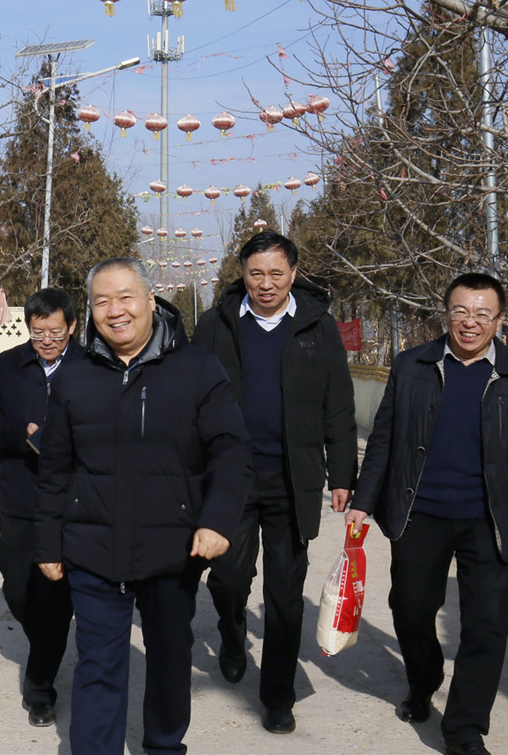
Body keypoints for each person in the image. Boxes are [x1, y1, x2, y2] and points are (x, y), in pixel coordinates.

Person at [346, 273, 508, 755]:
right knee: (410, 611)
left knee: (488, 624)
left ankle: (465, 728)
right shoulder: (412, 366)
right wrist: (364, 504)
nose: (470, 323)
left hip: (489, 520)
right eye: (461, 312)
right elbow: (385, 440)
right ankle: (423, 680)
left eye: (482, 314)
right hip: (420, 513)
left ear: (499, 320)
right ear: (445, 314)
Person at [35, 258, 250, 755]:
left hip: (172, 549)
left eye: (126, 297)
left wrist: (217, 520)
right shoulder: (74, 375)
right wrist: (47, 540)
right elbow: (55, 468)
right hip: (92, 547)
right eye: (102, 301)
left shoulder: (197, 367)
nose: (115, 311)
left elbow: (233, 451)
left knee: (171, 659)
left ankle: (163, 745)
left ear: (151, 300)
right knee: (98, 664)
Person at [192, 231, 358, 734]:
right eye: (256, 273)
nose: (266, 284)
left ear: (293, 273)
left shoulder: (317, 327)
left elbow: (339, 405)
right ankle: (233, 626)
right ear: (242, 273)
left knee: (286, 593)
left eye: (276, 273)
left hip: (293, 479)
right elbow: (189, 395)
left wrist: (343, 474)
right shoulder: (216, 324)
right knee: (226, 577)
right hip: (231, 478)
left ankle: (278, 695)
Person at [0, 287, 83, 728]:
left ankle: (40, 687)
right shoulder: (8, 366)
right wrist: (26, 431)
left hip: (73, 500)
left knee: (55, 595)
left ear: (72, 327)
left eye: (55, 333)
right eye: (38, 333)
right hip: (21, 495)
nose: (46, 341)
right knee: (17, 586)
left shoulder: (90, 365)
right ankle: (49, 644)